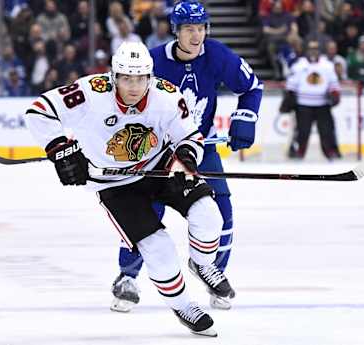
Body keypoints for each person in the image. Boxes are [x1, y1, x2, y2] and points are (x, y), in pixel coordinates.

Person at [24, 41, 233, 337]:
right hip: (115, 185)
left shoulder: (167, 96)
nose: (134, 87)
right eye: (126, 78)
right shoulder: (90, 92)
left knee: (209, 215)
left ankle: (201, 264)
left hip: (160, 167)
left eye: (140, 79)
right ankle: (183, 305)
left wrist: (184, 157)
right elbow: (39, 110)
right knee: (159, 249)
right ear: (114, 76)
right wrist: (61, 149)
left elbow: (190, 136)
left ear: (150, 77)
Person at [110, 0, 263, 312]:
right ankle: (127, 276)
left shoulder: (217, 54)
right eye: (190, 29)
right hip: (157, 152)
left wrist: (245, 118)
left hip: (200, 148)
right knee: (146, 213)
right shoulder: (152, 62)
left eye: (201, 28)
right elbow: (123, 100)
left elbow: (252, 87)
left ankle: (212, 270)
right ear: (175, 31)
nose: (197, 35)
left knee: (220, 209)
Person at [280, 40, 342, 159]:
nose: (313, 52)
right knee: (302, 132)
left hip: (322, 104)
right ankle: (297, 153)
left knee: (327, 131)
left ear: (319, 51)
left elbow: (333, 84)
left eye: (316, 49)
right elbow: (291, 85)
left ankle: (331, 153)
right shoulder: (299, 65)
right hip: (303, 104)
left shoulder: (327, 66)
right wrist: (288, 100)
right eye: (311, 49)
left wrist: (335, 95)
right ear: (307, 51)